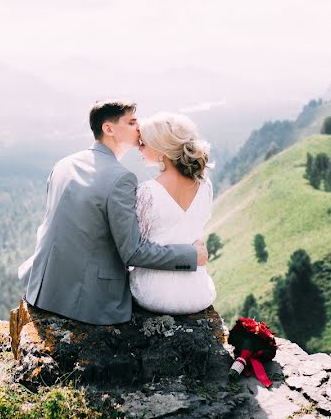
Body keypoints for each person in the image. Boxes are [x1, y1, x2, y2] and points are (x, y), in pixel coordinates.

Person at [18, 100, 208, 325]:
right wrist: (191, 255)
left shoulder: (63, 164)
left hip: (42, 287)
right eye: (131, 122)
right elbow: (132, 252)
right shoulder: (121, 179)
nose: (139, 128)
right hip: (87, 302)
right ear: (108, 129)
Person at [131, 112, 216, 314]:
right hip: (197, 292)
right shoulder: (205, 184)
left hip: (154, 294)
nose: (139, 148)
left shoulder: (147, 192)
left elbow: (136, 248)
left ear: (161, 150)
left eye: (143, 143)